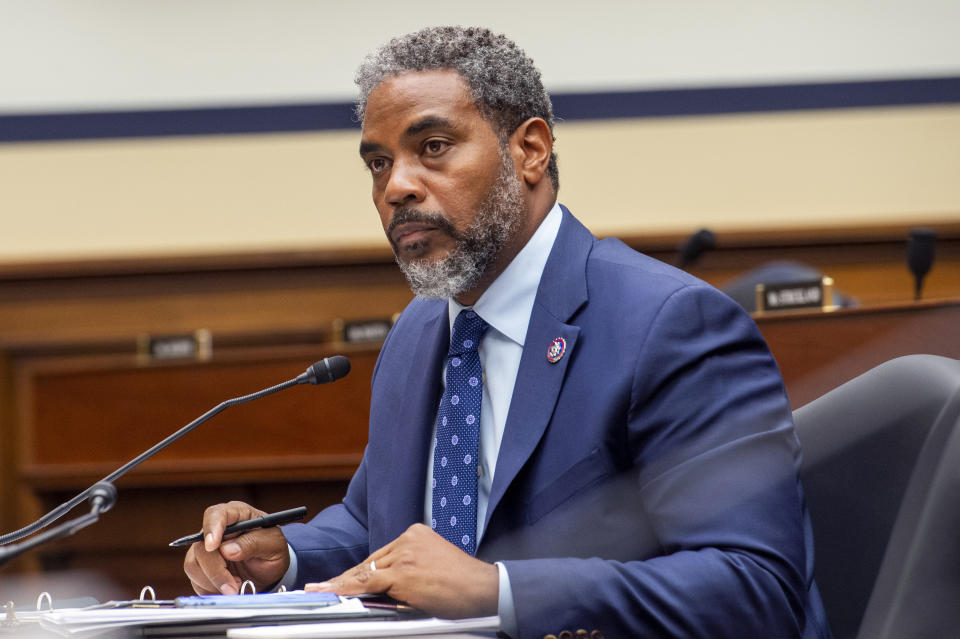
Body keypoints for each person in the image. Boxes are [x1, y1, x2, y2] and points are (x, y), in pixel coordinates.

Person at [183, 26, 832, 639]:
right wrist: (286, 556)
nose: (397, 187)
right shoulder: (418, 333)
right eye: (379, 163)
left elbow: (757, 587)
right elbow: (377, 521)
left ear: (530, 149)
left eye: (432, 148)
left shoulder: (670, 323)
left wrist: (501, 591)